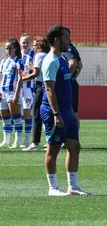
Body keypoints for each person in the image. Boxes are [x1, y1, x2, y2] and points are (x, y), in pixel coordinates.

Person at [40, 25, 90, 196]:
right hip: (55, 112)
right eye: (66, 37)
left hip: (66, 112)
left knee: (74, 147)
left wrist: (68, 111)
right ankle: (53, 188)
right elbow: (49, 90)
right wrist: (56, 113)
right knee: (53, 149)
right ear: (56, 40)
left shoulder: (61, 58)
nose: (69, 40)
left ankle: (73, 186)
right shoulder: (51, 61)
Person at [0, 38, 24, 149]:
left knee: (15, 117)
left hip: (12, 92)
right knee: (4, 116)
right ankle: (6, 141)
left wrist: (16, 94)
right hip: (3, 92)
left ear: (15, 48)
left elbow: (21, 78)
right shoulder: (4, 61)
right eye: (6, 48)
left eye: (10, 48)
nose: (8, 50)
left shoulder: (18, 61)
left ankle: (18, 141)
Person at [22, 37, 50, 152]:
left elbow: (36, 73)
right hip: (49, 85)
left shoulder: (38, 56)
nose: (33, 47)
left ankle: (35, 142)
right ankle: (51, 141)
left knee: (36, 114)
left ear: (38, 46)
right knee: (49, 113)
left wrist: (23, 78)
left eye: (34, 45)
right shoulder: (49, 55)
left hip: (40, 86)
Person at [62, 27, 83, 130]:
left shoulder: (67, 49)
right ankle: (73, 137)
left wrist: (67, 78)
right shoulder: (73, 48)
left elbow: (73, 64)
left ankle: (71, 137)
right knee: (72, 111)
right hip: (72, 82)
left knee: (69, 110)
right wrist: (74, 77)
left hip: (68, 84)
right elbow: (80, 65)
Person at [21, 45, 34, 148]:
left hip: (28, 89)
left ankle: (27, 140)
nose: (24, 44)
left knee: (27, 114)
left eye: (26, 42)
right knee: (17, 115)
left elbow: (35, 71)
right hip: (17, 89)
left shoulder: (33, 55)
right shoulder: (17, 55)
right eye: (23, 42)